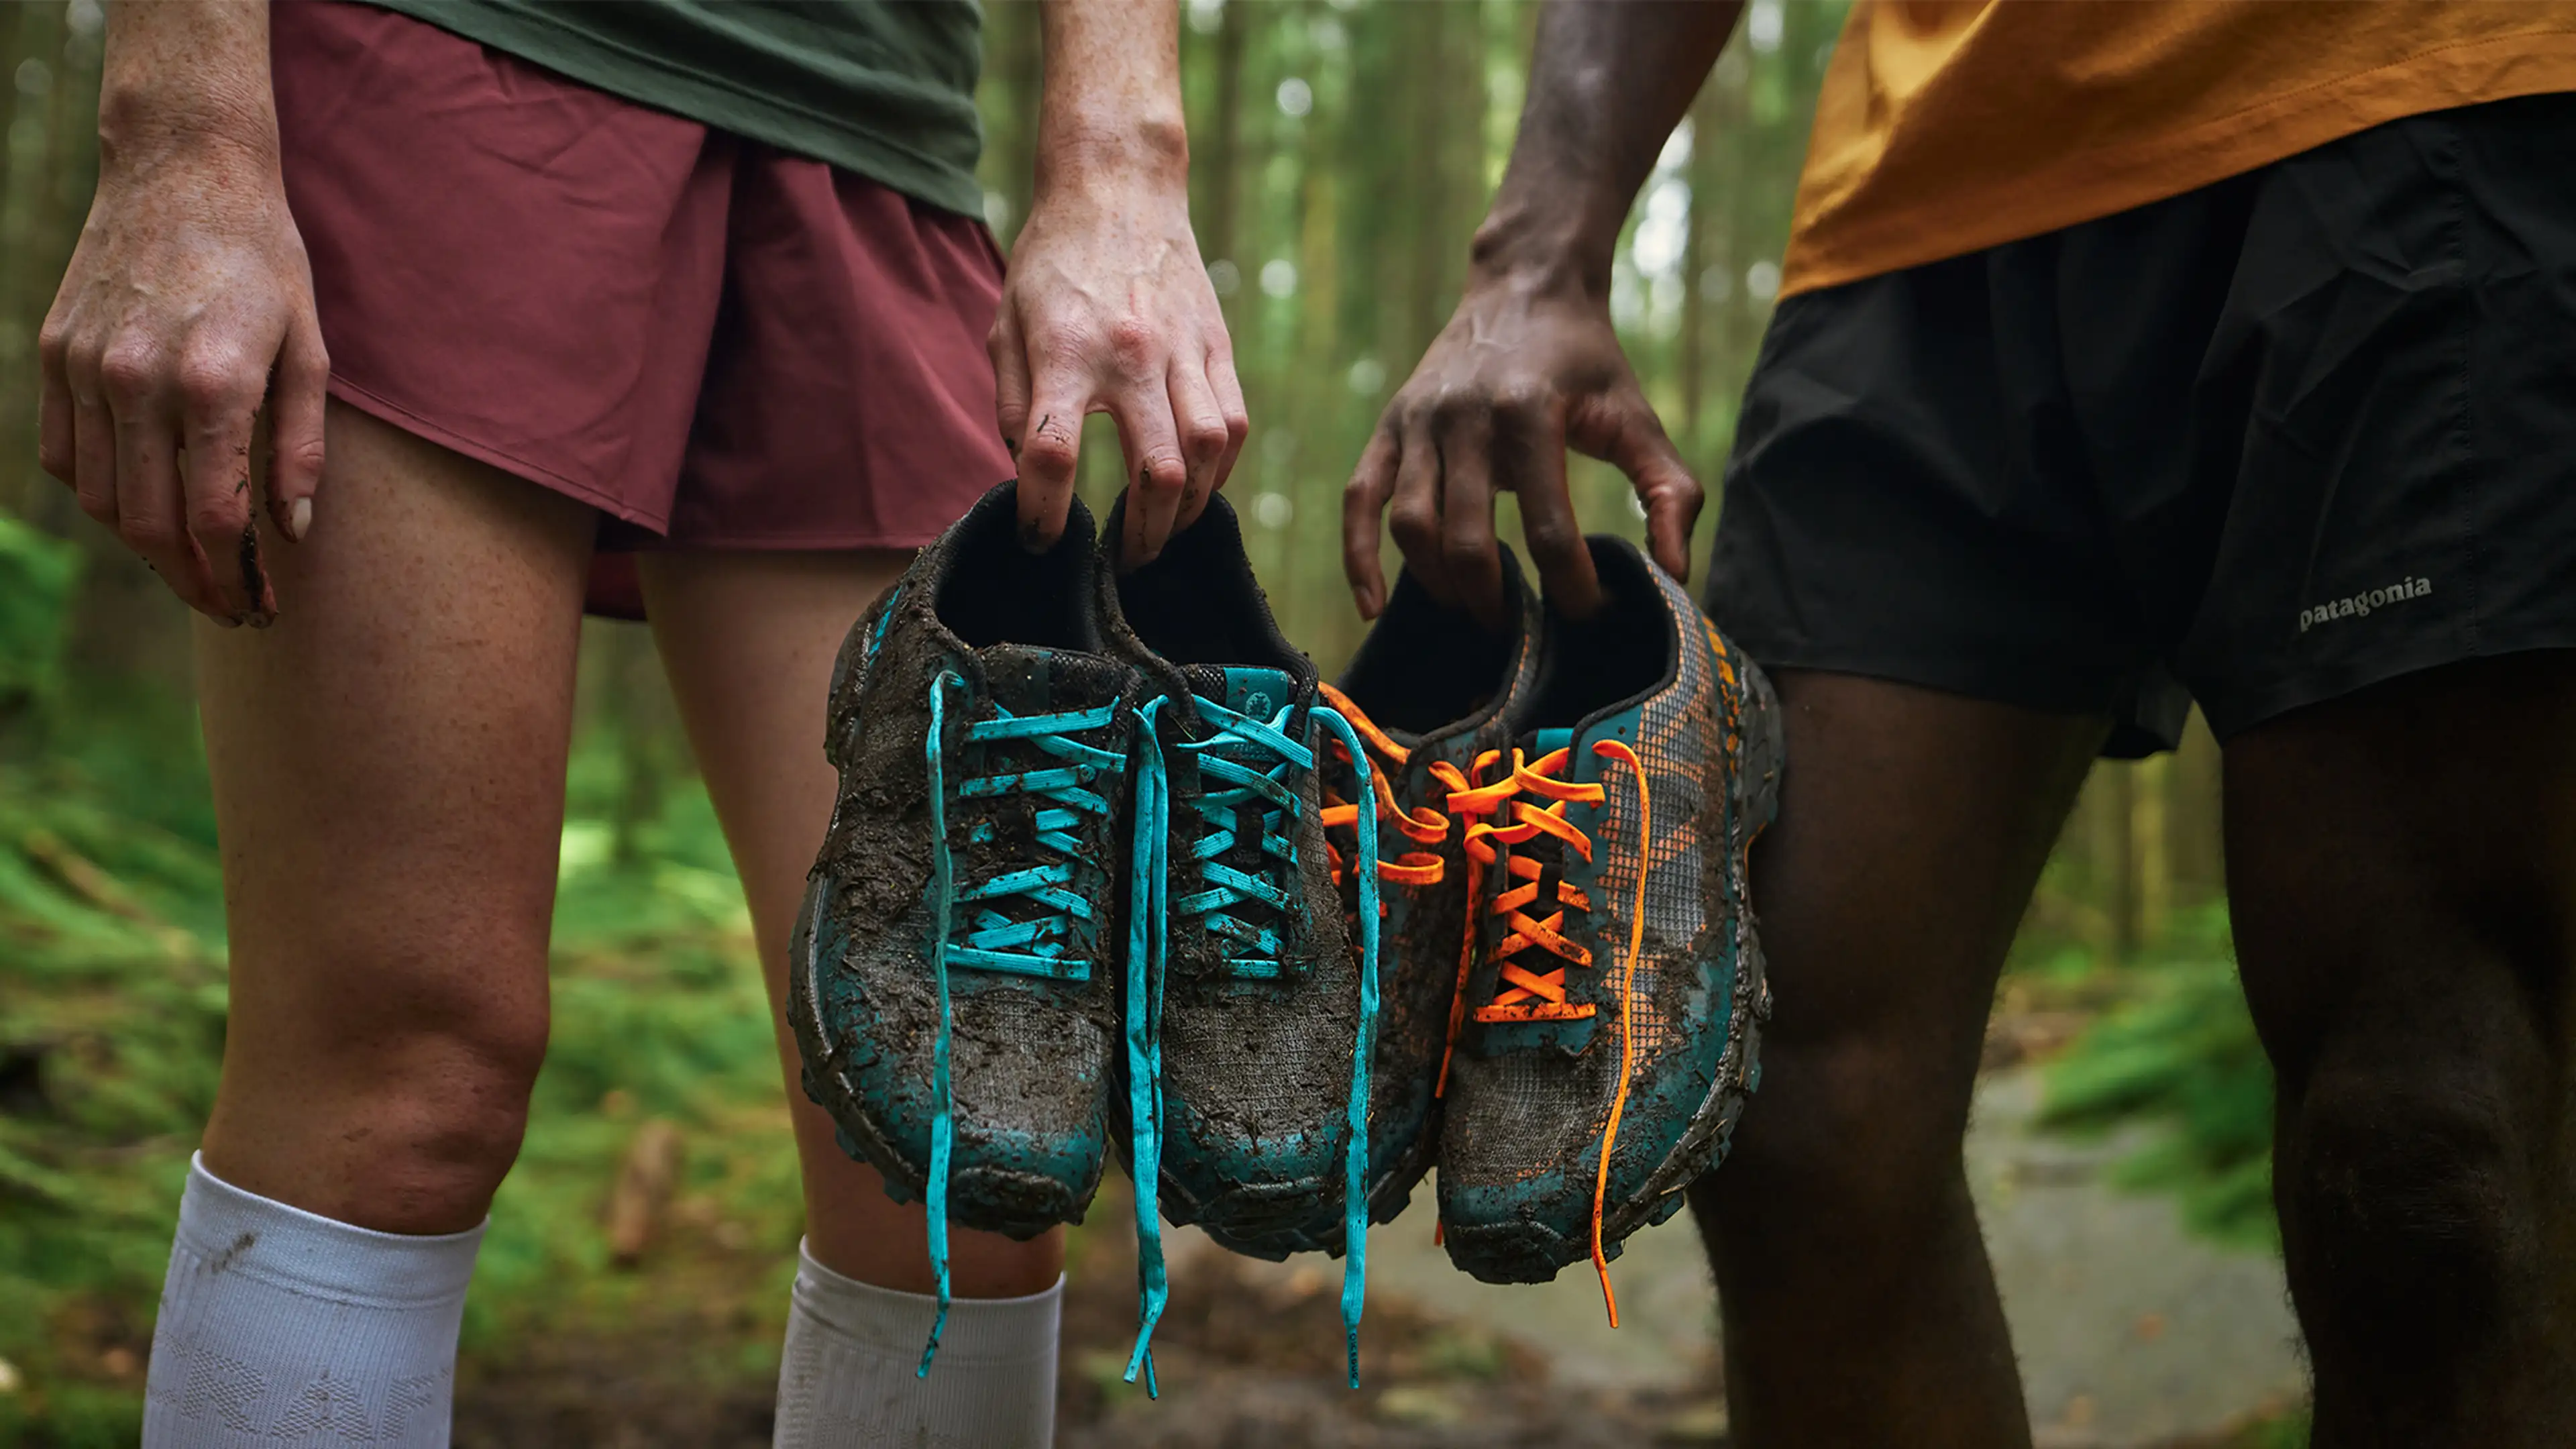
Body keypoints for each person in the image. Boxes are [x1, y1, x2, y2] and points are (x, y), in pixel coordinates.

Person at [1346, 2, 2576, 1445]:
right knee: (1784, 1105)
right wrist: (1538, 247)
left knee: (2431, 1162)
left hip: (2437, 88)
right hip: (1923, 209)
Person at [38, 1, 1242, 1444]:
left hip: (875, 129)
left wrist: (1122, 156)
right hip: (450, 54)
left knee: (968, 1152)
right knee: (403, 1079)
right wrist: (182, 129)